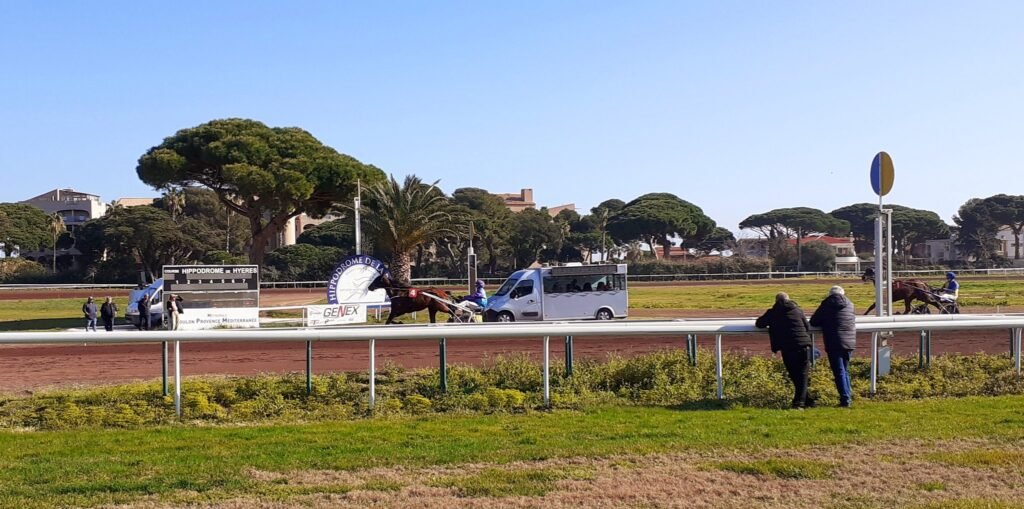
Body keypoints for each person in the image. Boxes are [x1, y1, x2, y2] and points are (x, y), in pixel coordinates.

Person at [755, 292, 815, 409]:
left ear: (776, 301)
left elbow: (759, 324)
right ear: (789, 299)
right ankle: (807, 400)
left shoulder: (773, 312)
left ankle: (799, 403)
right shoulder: (798, 310)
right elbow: (807, 327)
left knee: (795, 375)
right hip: (804, 346)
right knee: (801, 375)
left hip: (787, 347)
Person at [809, 285, 856, 407]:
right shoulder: (850, 304)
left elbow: (813, 321)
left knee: (839, 372)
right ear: (843, 294)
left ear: (830, 294)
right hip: (850, 342)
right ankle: (848, 396)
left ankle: (845, 400)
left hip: (834, 342)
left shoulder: (827, 304)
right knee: (845, 370)